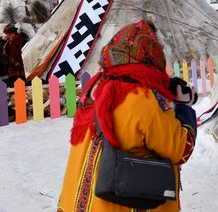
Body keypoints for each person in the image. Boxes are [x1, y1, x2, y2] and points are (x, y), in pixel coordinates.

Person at [57, 20, 197, 212]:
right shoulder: (144, 98)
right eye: (159, 48)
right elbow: (180, 149)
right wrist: (183, 108)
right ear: (151, 53)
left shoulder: (95, 87)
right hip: (121, 204)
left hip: (78, 202)